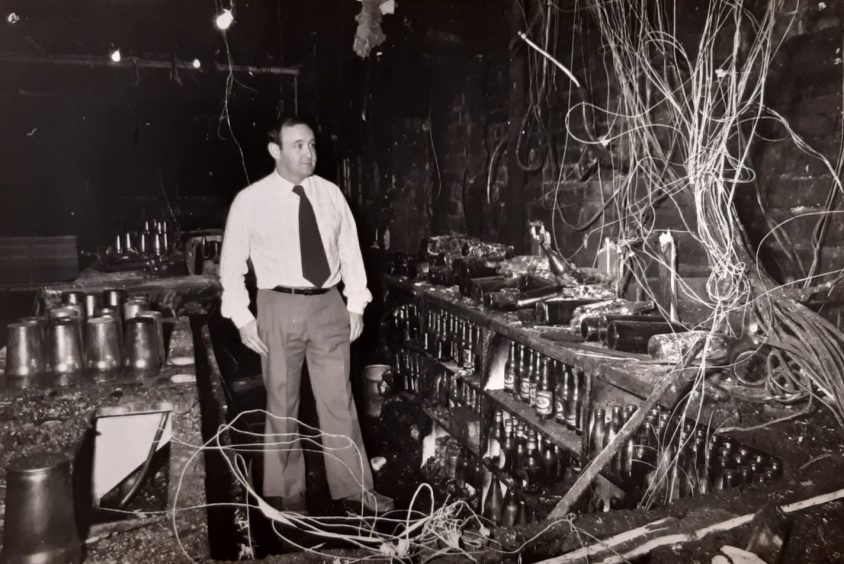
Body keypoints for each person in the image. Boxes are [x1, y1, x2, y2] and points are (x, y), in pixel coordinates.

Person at [219, 116, 393, 514]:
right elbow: (230, 266)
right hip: (277, 306)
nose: (308, 153)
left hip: (328, 304)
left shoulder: (330, 194)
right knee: (281, 400)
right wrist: (242, 318)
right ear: (274, 151)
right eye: (297, 145)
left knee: (339, 401)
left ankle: (355, 491)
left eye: (312, 144)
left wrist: (355, 304)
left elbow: (350, 251)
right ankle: (288, 496)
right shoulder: (250, 200)